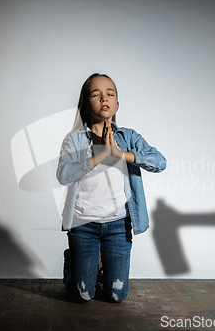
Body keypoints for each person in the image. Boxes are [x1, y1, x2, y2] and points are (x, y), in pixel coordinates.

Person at [56, 73, 166, 303]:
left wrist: (119, 154)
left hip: (118, 224)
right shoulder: (75, 140)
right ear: (86, 105)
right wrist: (100, 155)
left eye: (110, 94)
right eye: (95, 95)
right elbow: (64, 176)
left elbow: (160, 162)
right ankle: (74, 265)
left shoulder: (128, 137)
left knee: (116, 295)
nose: (103, 98)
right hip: (83, 224)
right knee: (82, 294)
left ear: (117, 104)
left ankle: (103, 268)